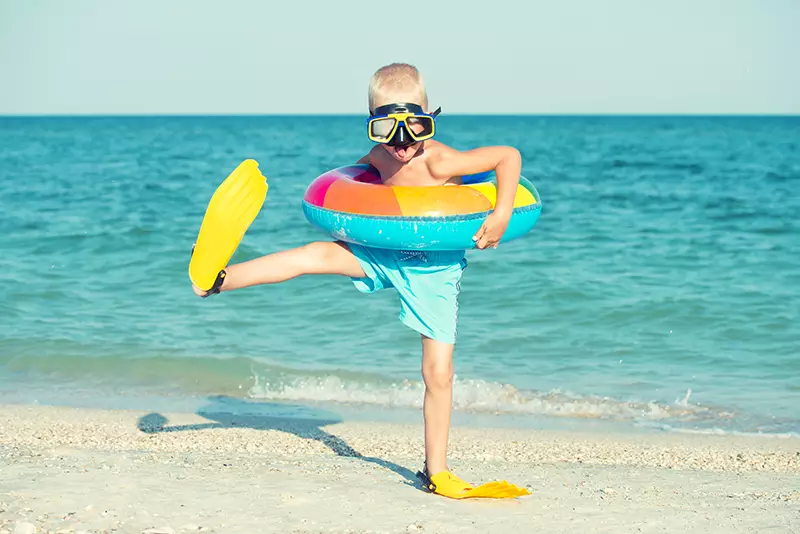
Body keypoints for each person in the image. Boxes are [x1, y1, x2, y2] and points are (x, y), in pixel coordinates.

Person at [192, 62, 524, 497]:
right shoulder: (379, 157)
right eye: (388, 128)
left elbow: (508, 156)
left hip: (432, 269)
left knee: (437, 372)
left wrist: (500, 214)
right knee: (309, 256)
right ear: (373, 125)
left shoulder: (441, 160)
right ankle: (216, 280)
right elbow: (350, 184)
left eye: (415, 127)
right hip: (382, 253)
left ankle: (436, 470)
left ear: (429, 119)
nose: (402, 143)